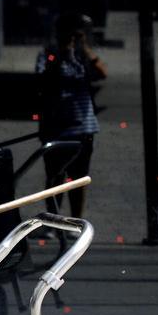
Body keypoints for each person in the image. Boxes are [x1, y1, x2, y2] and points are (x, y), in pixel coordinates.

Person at [36, 13, 106, 219]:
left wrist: (83, 48)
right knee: (54, 176)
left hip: (82, 127)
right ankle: (53, 219)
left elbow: (101, 73)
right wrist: (62, 54)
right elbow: (43, 80)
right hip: (55, 126)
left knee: (78, 178)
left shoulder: (83, 57)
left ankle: (76, 220)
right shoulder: (48, 54)